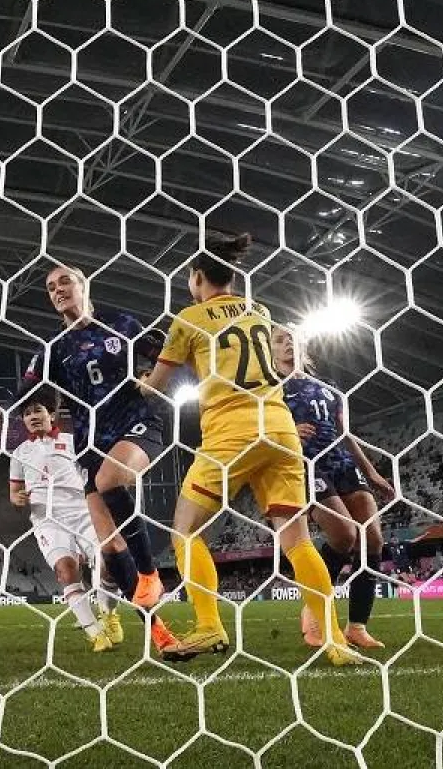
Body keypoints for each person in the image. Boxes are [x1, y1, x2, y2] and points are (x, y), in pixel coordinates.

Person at [142, 232, 362, 665]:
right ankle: (334, 641)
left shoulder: (189, 318)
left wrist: (139, 383)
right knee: (297, 541)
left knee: (184, 529)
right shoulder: (259, 311)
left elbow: (157, 387)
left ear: (197, 277)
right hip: (280, 431)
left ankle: (209, 626)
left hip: (232, 432)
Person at [0, 264, 170, 629]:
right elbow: (26, 388)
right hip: (90, 442)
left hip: (135, 424)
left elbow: (165, 352)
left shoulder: (122, 325)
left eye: (65, 281)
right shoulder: (54, 349)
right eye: (51, 287)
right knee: (109, 547)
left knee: (111, 480)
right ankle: (158, 631)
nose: (57, 290)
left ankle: (148, 574)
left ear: (84, 286)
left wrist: (154, 379)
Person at [272, 325, 395, 650]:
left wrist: (372, 473)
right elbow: (259, 434)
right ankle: (313, 609)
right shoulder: (269, 389)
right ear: (269, 351)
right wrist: (286, 433)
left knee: (372, 540)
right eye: (279, 340)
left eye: (292, 339)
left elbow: (344, 433)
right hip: (306, 463)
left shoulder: (328, 387)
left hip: (341, 461)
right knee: (343, 535)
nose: (287, 344)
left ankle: (357, 626)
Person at [9, 388, 122, 652]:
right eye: (26, 413)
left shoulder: (74, 441)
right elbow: (14, 494)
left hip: (83, 511)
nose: (33, 416)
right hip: (47, 519)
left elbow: (96, 471)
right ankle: (95, 633)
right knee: (66, 570)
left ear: (51, 414)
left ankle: (108, 612)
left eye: (37, 410)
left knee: (109, 562)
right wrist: (19, 499)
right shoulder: (19, 453)